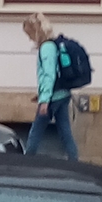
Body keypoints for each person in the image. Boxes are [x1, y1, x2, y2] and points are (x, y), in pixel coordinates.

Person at [22, 14, 78, 160]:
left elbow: (49, 74)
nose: (29, 38)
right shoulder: (53, 45)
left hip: (52, 97)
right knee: (65, 132)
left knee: (36, 132)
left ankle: (26, 163)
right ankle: (74, 162)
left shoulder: (46, 48)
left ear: (36, 32)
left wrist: (45, 99)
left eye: (29, 34)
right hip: (63, 94)